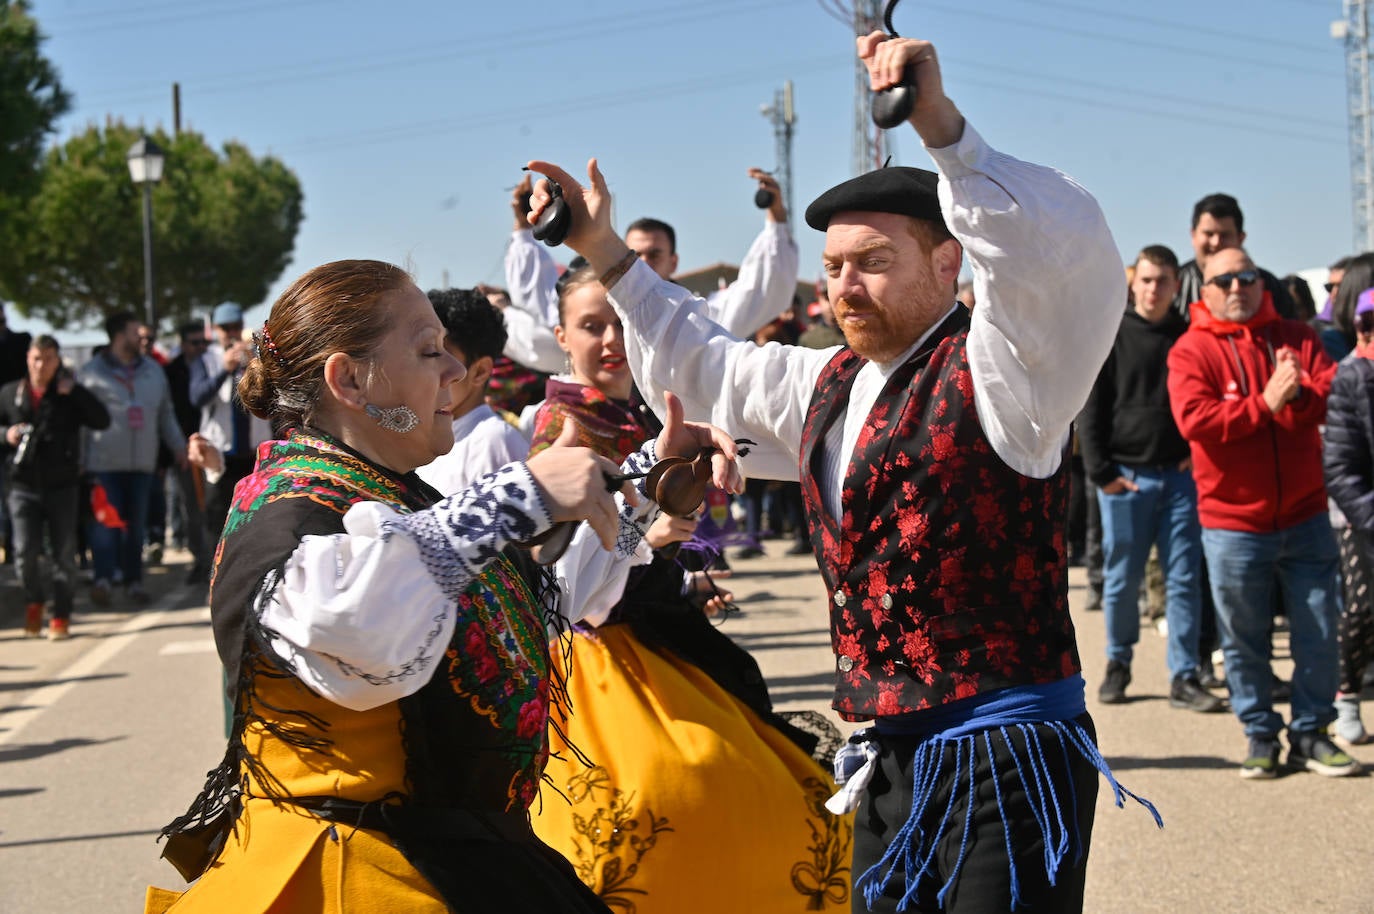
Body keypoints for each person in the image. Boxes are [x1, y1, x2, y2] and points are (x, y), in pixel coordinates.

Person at [528, 29, 1161, 914]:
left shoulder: (1008, 369)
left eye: (872, 263)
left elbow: (1058, 267)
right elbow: (704, 357)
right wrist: (600, 245)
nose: (844, 289)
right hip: (890, 754)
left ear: (947, 264)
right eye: (831, 270)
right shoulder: (824, 385)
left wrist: (946, 133)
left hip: (1007, 753)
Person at [146, 258, 744, 914]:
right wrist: (517, 496)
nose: (456, 372)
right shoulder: (289, 506)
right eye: (430, 351)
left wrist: (645, 483)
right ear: (348, 379)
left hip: (448, 859)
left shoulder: (385, 490)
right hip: (353, 876)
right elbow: (355, 624)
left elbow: (539, 606)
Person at [521, 262, 851, 913]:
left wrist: (676, 575)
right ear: (560, 336)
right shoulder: (561, 430)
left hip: (648, 643)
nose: (613, 340)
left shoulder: (631, 415)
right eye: (593, 327)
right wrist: (656, 539)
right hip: (595, 664)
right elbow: (563, 580)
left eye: (620, 324)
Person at [1167, 247, 1360, 779]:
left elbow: (1328, 397)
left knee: (1320, 628)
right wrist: (1265, 404)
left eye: (1247, 276)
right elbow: (1196, 421)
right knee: (1244, 638)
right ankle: (1259, 733)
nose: (1237, 287)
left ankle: (1311, 732)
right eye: (1224, 279)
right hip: (1233, 525)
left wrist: (1293, 398)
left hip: (1305, 514)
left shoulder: (1298, 337)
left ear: (1261, 283)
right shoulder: (1190, 350)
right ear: (1205, 290)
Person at [1078, 246, 1223, 713]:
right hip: (1126, 479)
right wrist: (1103, 473)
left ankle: (1184, 675)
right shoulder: (1112, 333)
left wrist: (1197, 455)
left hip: (1181, 479)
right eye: (1146, 280)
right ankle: (1118, 664)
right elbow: (1092, 408)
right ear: (1133, 284)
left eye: (1163, 281)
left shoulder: (1189, 334)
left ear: (1176, 287)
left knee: (1183, 580)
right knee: (1122, 581)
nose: (1154, 289)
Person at [505, 169, 800, 344]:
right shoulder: (599, 324)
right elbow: (541, 311)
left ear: (674, 261)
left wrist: (777, 218)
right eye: (635, 254)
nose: (644, 263)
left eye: (655, 254)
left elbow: (762, 289)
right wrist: (522, 228)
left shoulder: (699, 321)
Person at [0, 335, 110, 638]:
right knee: (24, 552)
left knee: (63, 553)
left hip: (62, 486)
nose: (41, 365)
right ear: (27, 358)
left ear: (57, 361)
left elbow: (102, 420)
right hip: (22, 486)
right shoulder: (11, 394)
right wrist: (6, 434)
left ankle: (61, 615)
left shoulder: (68, 394)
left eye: (48, 359)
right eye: (36, 358)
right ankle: (34, 600)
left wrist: (74, 392)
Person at [79, 312, 186, 605]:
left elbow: (166, 415)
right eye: (133, 331)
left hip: (142, 464)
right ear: (118, 335)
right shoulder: (89, 373)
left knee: (136, 527)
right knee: (106, 526)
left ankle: (133, 583)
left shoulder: (153, 371)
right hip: (103, 464)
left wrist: (179, 446)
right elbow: (81, 422)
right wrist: (79, 461)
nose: (140, 336)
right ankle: (103, 579)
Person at [1320, 287, 1374, 748]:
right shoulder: (1352, 376)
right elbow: (1339, 466)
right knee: (1361, 608)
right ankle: (1347, 695)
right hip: (1361, 519)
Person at [416, 287, 530, 492]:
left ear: (480, 372)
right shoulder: (428, 433)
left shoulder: (495, 442)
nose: (425, 371)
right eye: (424, 355)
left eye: (436, 356)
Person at [191, 302, 270, 536]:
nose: (232, 333)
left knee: (253, 521)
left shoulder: (256, 357)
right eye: (226, 328)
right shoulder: (206, 360)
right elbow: (197, 397)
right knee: (217, 522)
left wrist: (254, 367)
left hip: (253, 453)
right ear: (216, 329)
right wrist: (224, 369)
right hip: (220, 454)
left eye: (236, 327)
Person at [1171, 193, 1297, 321]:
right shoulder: (1173, 286)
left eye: (1224, 235)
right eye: (1209, 234)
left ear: (1241, 238)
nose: (1216, 242)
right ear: (1193, 235)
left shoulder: (1269, 287)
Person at [163, 321, 213, 584]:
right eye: (195, 343)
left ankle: (216, 559)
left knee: (214, 507)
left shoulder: (213, 365)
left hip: (213, 448)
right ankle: (200, 560)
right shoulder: (171, 372)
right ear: (183, 345)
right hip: (185, 449)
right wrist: (177, 447)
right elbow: (166, 412)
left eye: (204, 342)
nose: (201, 348)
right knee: (192, 509)